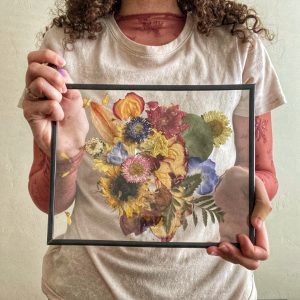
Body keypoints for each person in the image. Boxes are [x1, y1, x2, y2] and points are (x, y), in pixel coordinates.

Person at [21, 0, 286, 299]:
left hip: (216, 289)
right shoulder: (66, 44)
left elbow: (263, 171)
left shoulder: (238, 45)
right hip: (88, 287)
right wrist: (64, 158)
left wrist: (245, 192)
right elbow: (48, 201)